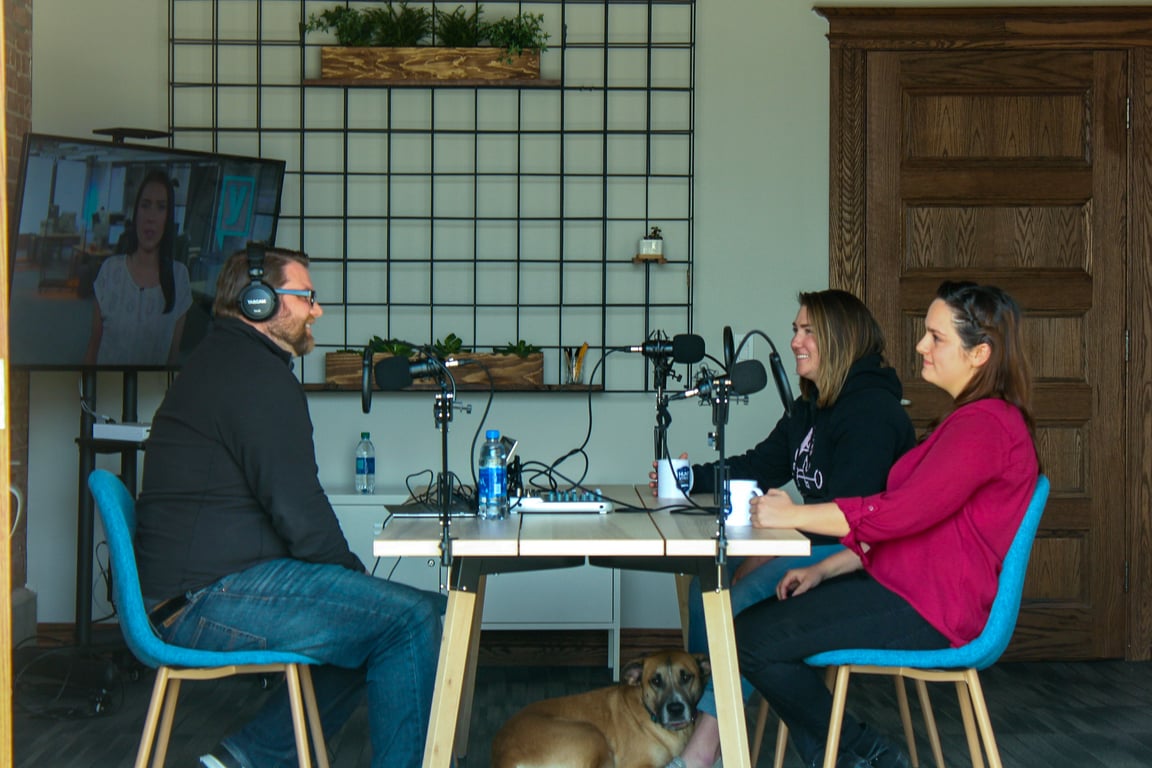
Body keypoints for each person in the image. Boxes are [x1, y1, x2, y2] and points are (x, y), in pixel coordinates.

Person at [135, 247, 445, 768]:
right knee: (407, 620)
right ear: (260, 302)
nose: (316, 311)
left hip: (200, 589)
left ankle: (246, 758)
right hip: (207, 598)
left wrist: (360, 593)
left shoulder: (225, 363)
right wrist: (358, 583)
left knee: (411, 617)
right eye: (307, 297)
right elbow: (298, 510)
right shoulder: (256, 378)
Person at [730, 281, 1040, 768]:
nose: (920, 346)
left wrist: (792, 515)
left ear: (980, 353)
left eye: (935, 338)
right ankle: (849, 756)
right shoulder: (968, 422)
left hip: (931, 607)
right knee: (751, 633)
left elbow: (897, 512)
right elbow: (912, 522)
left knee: (751, 639)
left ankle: (863, 753)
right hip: (906, 589)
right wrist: (825, 569)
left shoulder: (985, 428)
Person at [655, 289, 916, 768]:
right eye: (795, 329)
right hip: (808, 543)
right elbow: (761, 465)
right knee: (704, 590)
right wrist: (689, 478)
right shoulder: (810, 406)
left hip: (857, 560)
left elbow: (850, 517)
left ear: (839, 338)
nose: (795, 340)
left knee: (736, 599)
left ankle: (703, 748)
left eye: (807, 331)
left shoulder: (872, 413)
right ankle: (703, 718)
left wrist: (773, 552)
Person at [84, 169, 192, 366]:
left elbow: (172, 359)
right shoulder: (110, 271)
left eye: (161, 207)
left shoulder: (179, 277)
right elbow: (93, 347)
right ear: (136, 212)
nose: (151, 217)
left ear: (168, 218)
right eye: (145, 205)